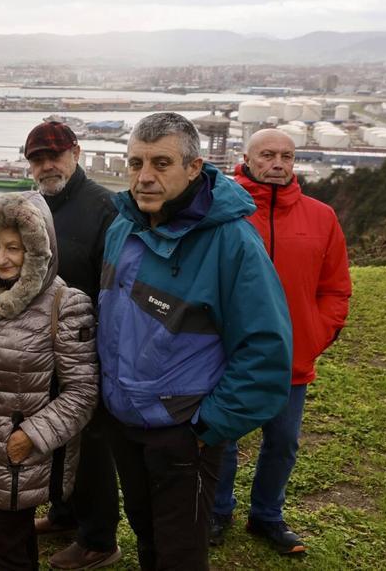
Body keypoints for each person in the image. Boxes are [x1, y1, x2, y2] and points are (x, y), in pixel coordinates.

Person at [96, 112, 292, 570]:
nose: (144, 177)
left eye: (161, 163)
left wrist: (207, 428)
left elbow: (266, 351)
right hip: (125, 420)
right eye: (135, 163)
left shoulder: (232, 242)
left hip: (183, 431)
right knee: (146, 533)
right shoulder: (123, 226)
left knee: (181, 551)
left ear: (194, 167)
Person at [210, 128, 351, 554]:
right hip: (226, 355)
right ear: (247, 159)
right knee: (221, 438)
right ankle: (217, 513)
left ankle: (267, 516)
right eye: (267, 154)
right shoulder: (223, 212)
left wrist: (314, 334)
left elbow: (336, 289)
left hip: (292, 358)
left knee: (283, 443)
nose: (278, 163)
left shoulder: (321, 216)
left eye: (286, 156)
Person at [0, 191, 99, 571]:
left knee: (3, 548)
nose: (1, 259)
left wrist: (31, 435)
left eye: (14, 247)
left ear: (37, 248)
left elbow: (82, 391)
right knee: (14, 541)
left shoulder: (66, 304)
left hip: (23, 453)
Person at [23, 119, 123, 569]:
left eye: (55, 155)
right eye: (37, 159)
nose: (47, 165)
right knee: (57, 438)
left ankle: (99, 539)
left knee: (93, 447)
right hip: (47, 348)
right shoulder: (34, 206)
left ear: (76, 153)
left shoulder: (103, 208)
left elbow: (115, 287)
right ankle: (63, 514)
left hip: (90, 347)